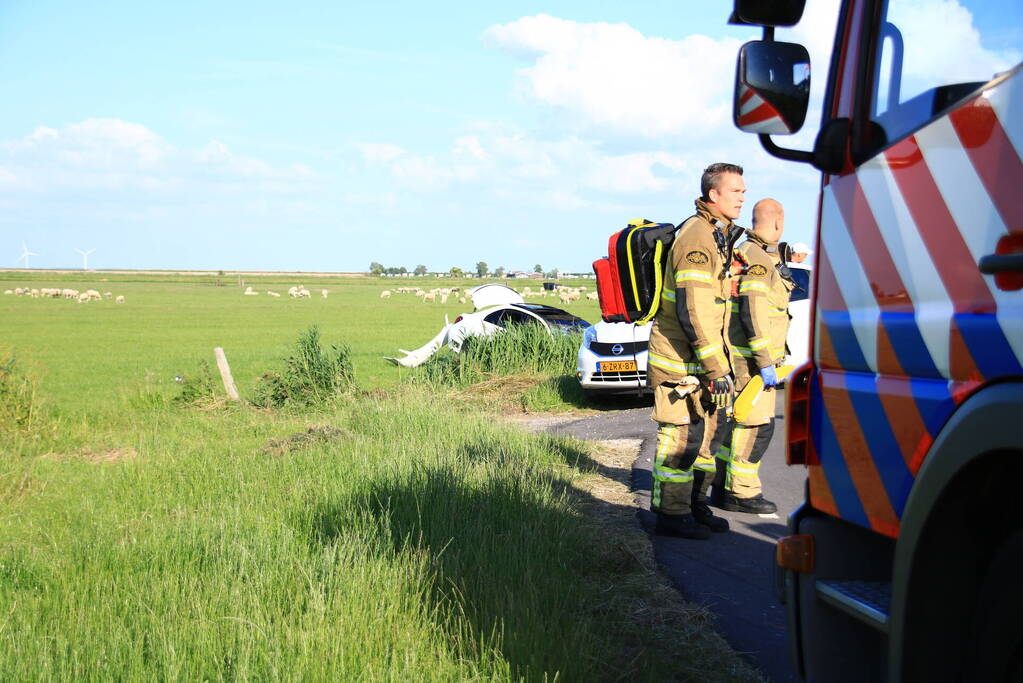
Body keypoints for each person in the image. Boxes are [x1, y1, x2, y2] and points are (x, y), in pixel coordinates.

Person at [646, 163, 746, 539]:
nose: (742, 197)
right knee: (681, 439)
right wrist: (717, 367)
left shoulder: (716, 234)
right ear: (713, 194)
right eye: (735, 191)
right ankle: (671, 516)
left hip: (701, 363)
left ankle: (693, 504)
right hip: (680, 363)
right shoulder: (697, 237)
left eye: (743, 191)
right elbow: (694, 310)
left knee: (707, 436)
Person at [718, 198, 794, 514]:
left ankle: (722, 487)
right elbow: (753, 309)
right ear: (778, 222)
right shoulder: (758, 258)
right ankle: (742, 492)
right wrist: (764, 362)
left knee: (737, 424)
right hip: (752, 362)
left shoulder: (752, 252)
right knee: (756, 427)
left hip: (746, 357)